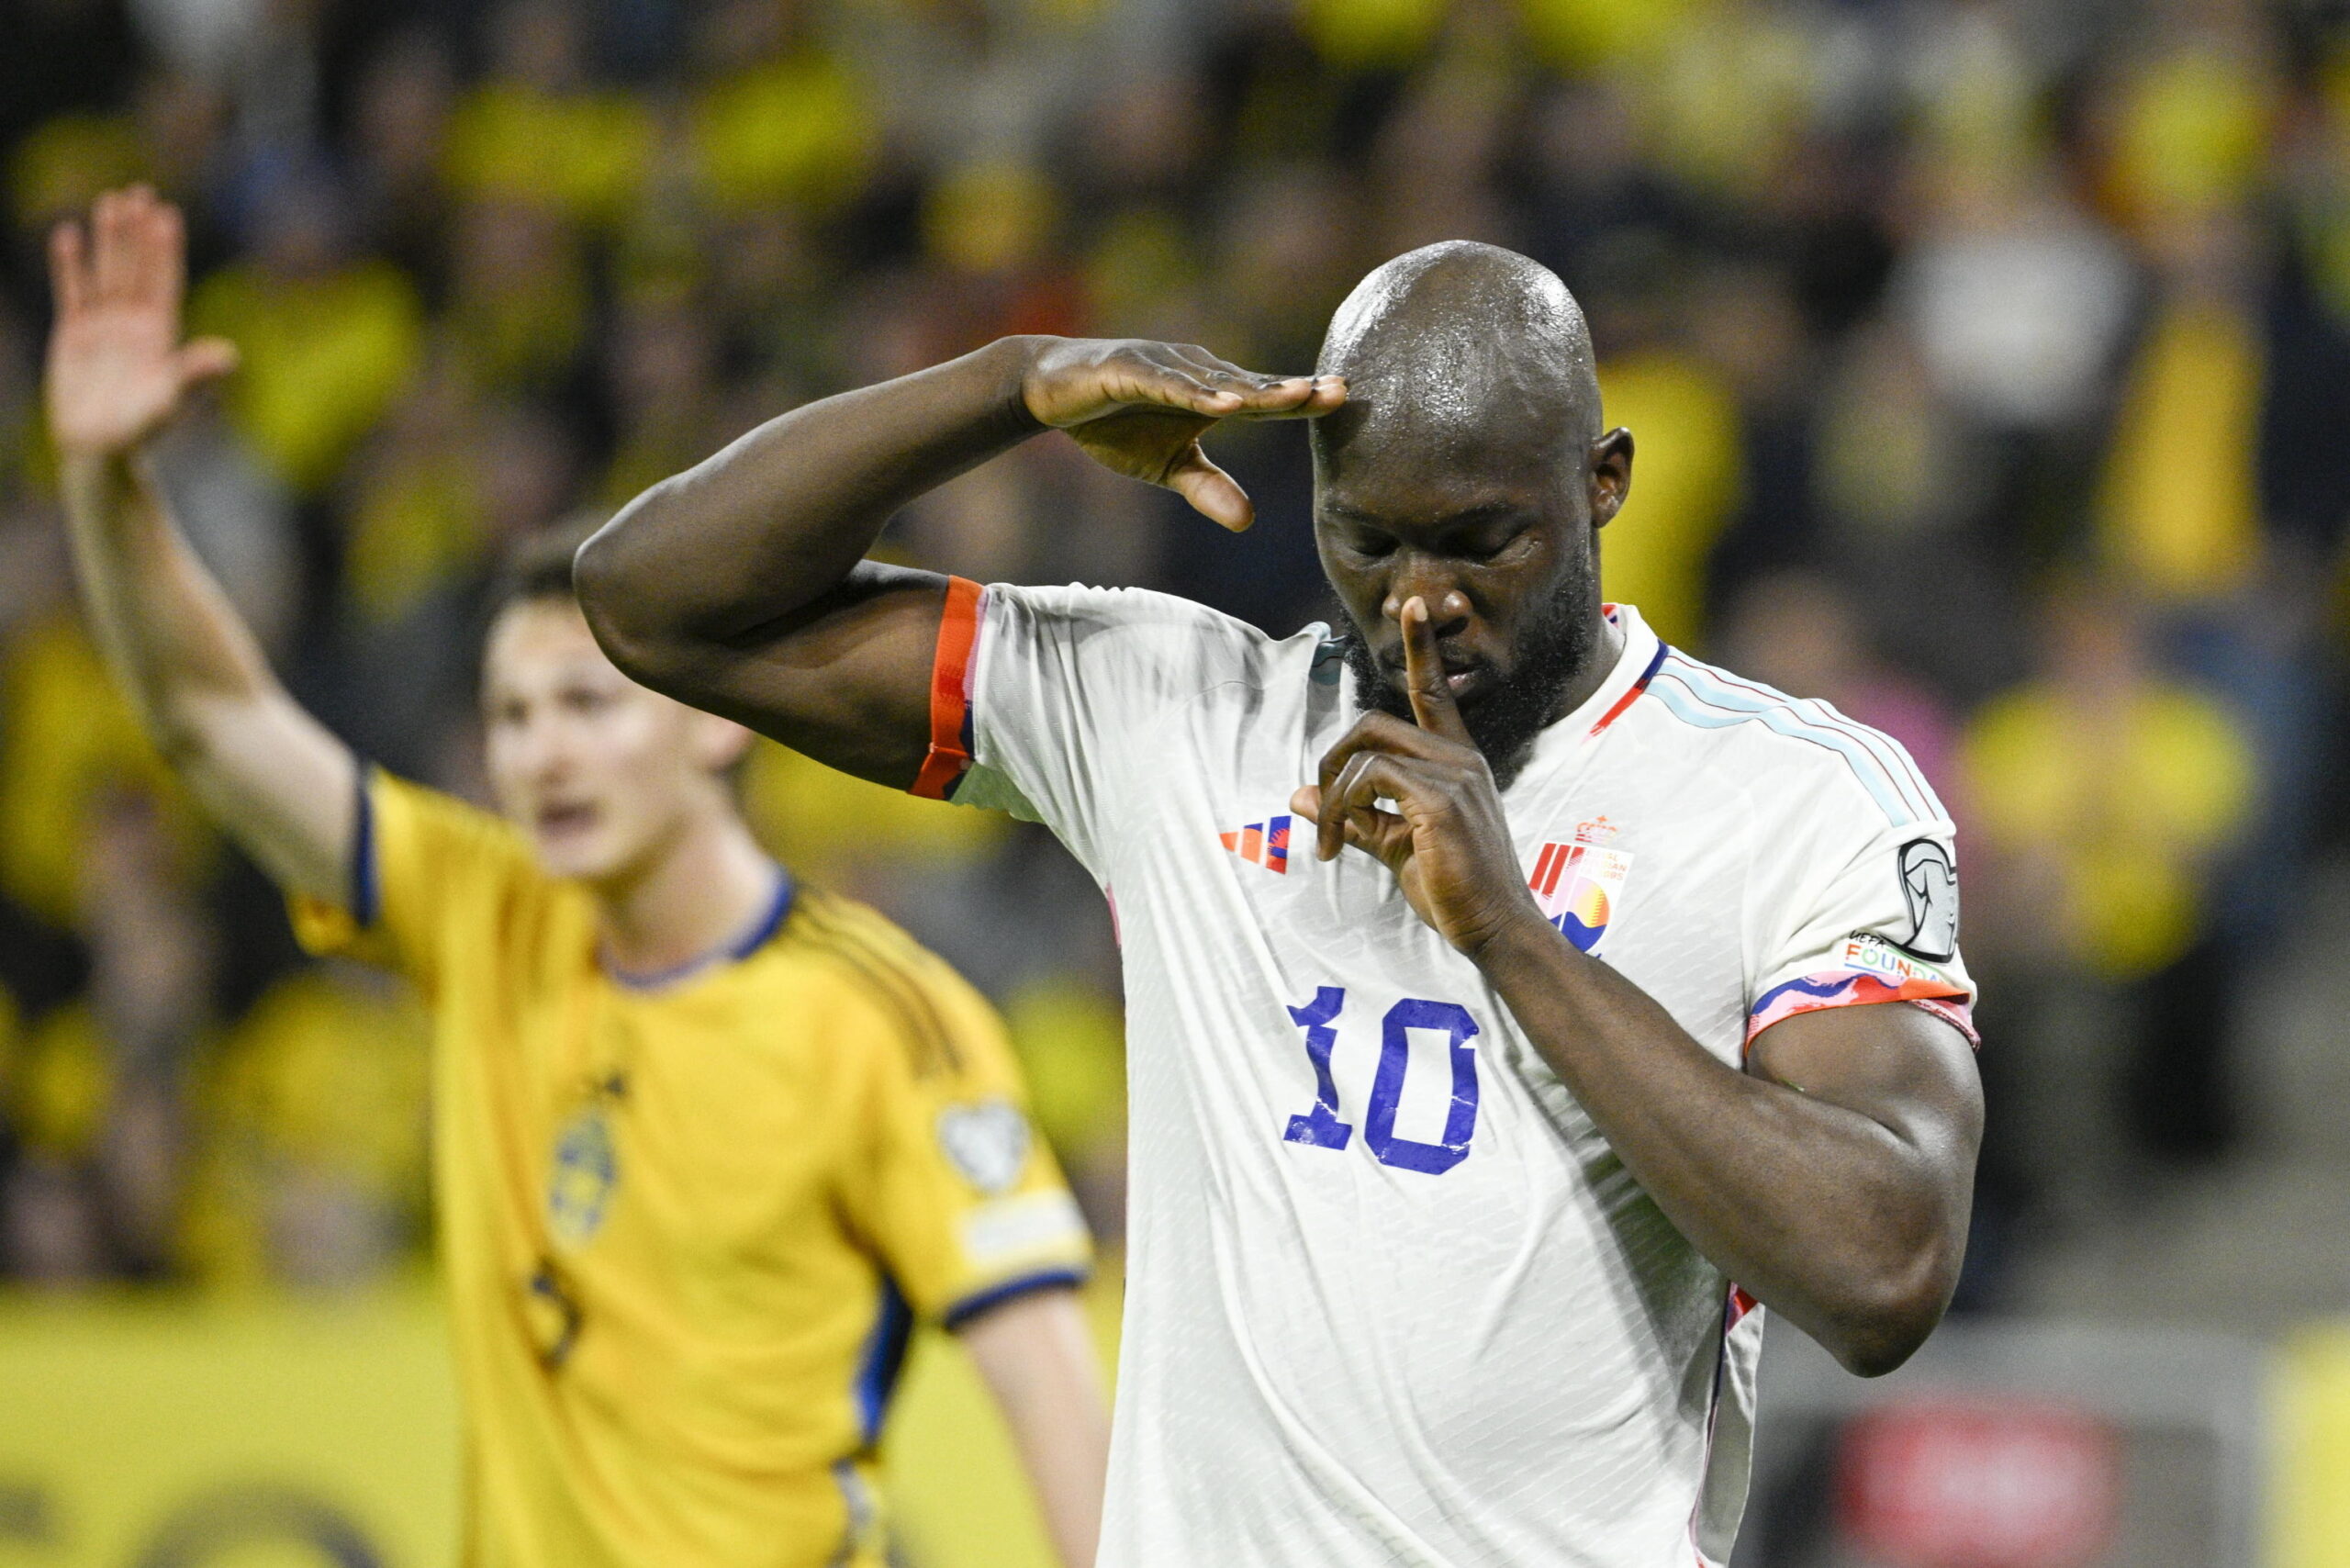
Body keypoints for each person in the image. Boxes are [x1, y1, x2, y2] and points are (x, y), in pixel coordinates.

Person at [578, 240, 1986, 1566]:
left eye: (1481, 542)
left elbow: (1883, 1267)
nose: (1420, 604)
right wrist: (1004, 384)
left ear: (1603, 483)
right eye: (1367, 542)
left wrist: (1507, 930)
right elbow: (653, 602)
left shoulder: (1793, 799)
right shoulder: (1177, 717)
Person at [45, 185, 1110, 1568]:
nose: (543, 754)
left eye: (588, 708)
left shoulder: (877, 1021)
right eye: (512, 717)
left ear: (720, 721)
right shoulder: (487, 910)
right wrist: (106, 484)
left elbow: (1042, 1372)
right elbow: (212, 720)